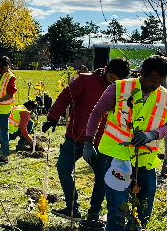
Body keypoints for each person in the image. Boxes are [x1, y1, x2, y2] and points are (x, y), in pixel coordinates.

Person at [84, 54, 167, 231]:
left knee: (144, 210)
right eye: (153, 81)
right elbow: (96, 113)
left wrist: (153, 134)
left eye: (160, 82)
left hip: (145, 161)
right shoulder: (120, 89)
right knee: (118, 211)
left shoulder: (166, 97)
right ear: (141, 73)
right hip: (116, 157)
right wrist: (87, 142)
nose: (156, 86)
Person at [43, 58, 131, 221]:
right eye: (112, 77)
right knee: (63, 167)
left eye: (118, 80)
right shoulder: (85, 80)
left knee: (101, 178)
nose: (114, 82)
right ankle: (72, 208)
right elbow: (65, 97)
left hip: (103, 143)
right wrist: (53, 117)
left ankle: (93, 214)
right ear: (106, 70)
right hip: (75, 137)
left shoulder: (124, 91)